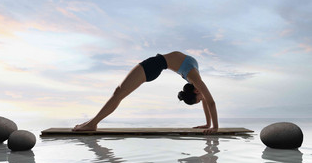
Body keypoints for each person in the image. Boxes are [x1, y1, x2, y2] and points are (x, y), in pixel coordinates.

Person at [73, 51, 219, 134]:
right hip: (154, 66)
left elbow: (207, 102)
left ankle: (92, 123)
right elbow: (210, 101)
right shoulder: (194, 78)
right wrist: (214, 126)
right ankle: (92, 122)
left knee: (119, 93)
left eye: (200, 99)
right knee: (119, 93)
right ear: (196, 92)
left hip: (153, 66)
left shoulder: (193, 80)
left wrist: (208, 125)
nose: (203, 98)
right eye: (199, 99)